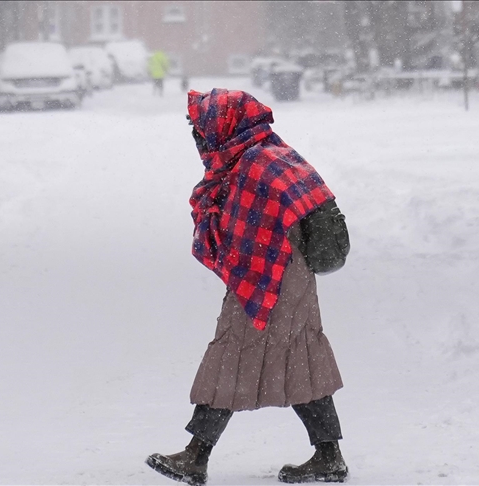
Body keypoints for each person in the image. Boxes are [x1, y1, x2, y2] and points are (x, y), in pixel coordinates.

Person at [145, 89, 348, 485]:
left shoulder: (254, 165)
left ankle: (196, 454)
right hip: (288, 274)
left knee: (235, 353)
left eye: (202, 129)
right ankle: (328, 455)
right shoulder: (269, 152)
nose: (200, 139)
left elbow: (248, 228)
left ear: (225, 126)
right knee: (295, 354)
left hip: (269, 277)